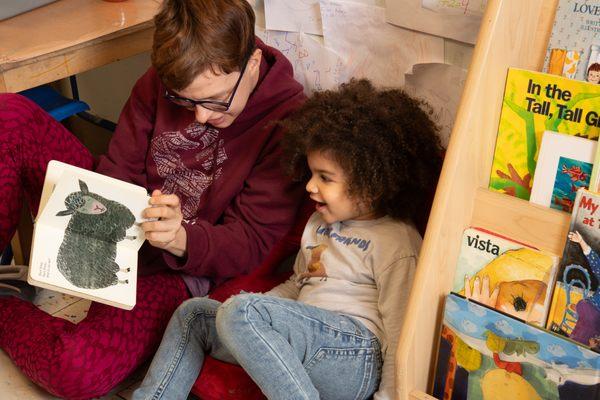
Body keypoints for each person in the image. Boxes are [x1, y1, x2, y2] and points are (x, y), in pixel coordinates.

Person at [0, 0, 305, 398]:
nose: (198, 117)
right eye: (183, 100)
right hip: (116, 220)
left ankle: (5, 307)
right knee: (10, 116)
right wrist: (102, 218)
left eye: (215, 101)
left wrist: (181, 240)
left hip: (180, 272)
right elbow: (119, 168)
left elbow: (250, 244)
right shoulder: (158, 84)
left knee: (77, 370)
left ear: (252, 63)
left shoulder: (288, 123)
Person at [132, 79, 443, 400]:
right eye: (310, 174)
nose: (310, 186)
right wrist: (244, 311)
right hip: (300, 341)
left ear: (370, 185)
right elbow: (298, 285)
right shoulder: (318, 224)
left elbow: (402, 328)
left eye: (325, 178)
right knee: (194, 313)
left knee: (242, 311)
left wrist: (390, 396)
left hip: (355, 354)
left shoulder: (396, 239)